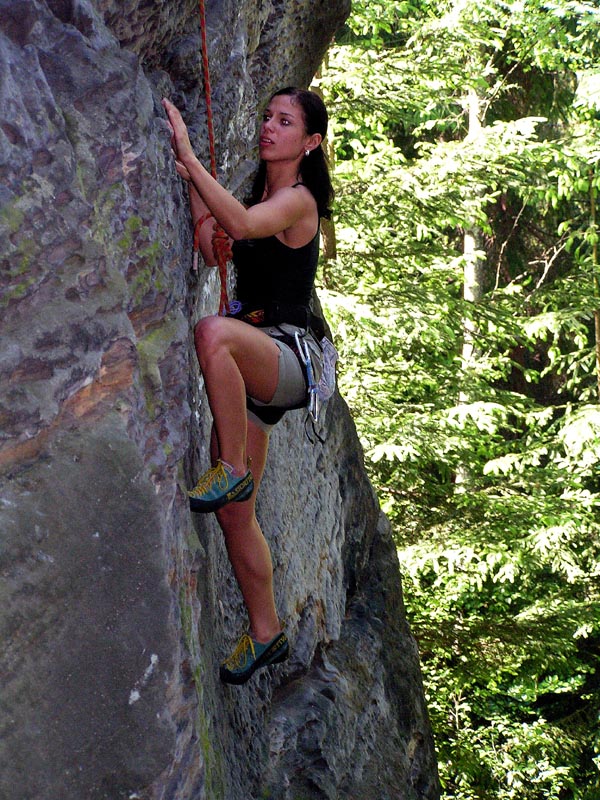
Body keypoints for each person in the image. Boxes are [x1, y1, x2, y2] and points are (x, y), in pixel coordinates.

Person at [162, 88, 333, 685]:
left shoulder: (298, 200)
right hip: (257, 369)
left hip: (289, 356)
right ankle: (267, 633)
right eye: (267, 117)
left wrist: (188, 151)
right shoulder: (261, 194)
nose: (268, 128)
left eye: (284, 122)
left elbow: (237, 223)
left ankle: (229, 464)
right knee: (237, 516)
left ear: (309, 142)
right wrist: (190, 180)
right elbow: (214, 244)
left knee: (214, 331)